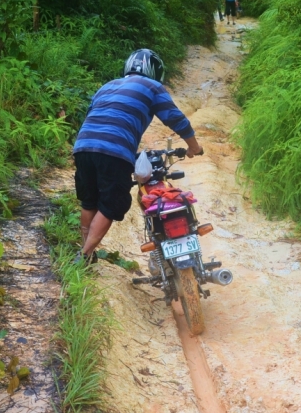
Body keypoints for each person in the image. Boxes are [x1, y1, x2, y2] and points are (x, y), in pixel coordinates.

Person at [72, 49, 204, 264]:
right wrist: (193, 147)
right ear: (156, 71)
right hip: (114, 150)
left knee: (89, 202)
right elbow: (175, 118)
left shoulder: (107, 86)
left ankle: (86, 251)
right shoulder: (152, 87)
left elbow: (93, 116)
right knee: (110, 204)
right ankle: (85, 255)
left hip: (84, 145)